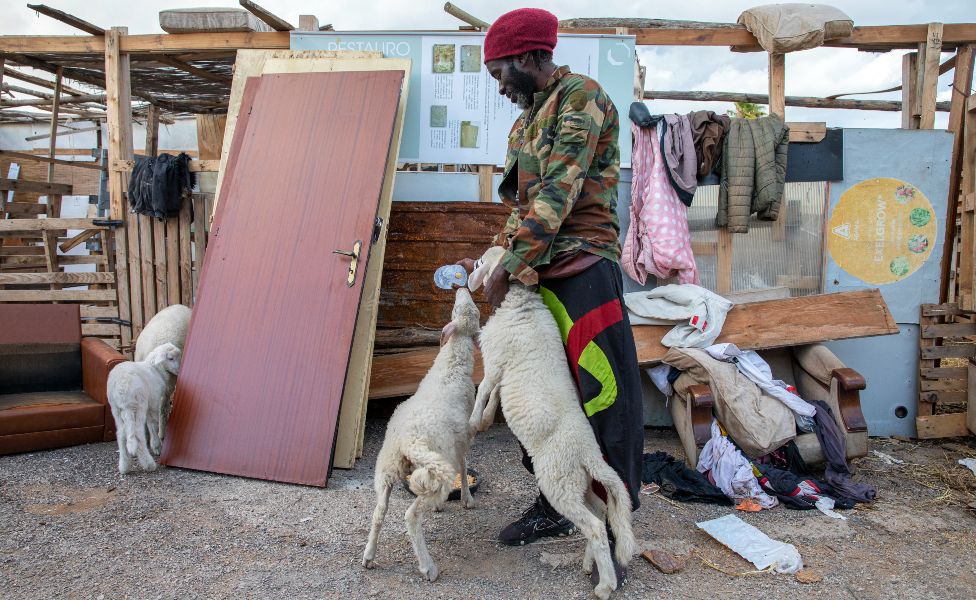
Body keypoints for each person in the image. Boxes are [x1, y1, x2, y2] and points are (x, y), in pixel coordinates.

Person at [457, 7, 644, 565]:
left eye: (498, 73)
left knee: (603, 396)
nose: (498, 86)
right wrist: (493, 261)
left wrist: (508, 268)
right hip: (537, 276)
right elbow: (522, 211)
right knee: (533, 399)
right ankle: (556, 500)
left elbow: (557, 197)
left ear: (526, 55)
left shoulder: (580, 98)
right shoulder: (524, 122)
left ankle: (616, 522)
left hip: (584, 268)